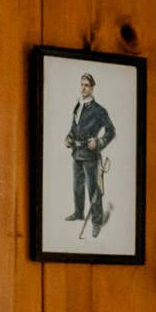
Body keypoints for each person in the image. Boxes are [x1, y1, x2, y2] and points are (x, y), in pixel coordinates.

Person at [65, 70, 117, 236]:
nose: (83, 88)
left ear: (93, 88)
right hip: (77, 153)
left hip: (91, 156)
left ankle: (97, 221)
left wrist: (99, 142)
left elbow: (111, 131)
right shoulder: (78, 106)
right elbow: (74, 128)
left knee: (93, 190)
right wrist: (68, 138)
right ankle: (79, 213)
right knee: (77, 187)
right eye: (82, 84)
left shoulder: (99, 110)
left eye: (87, 85)